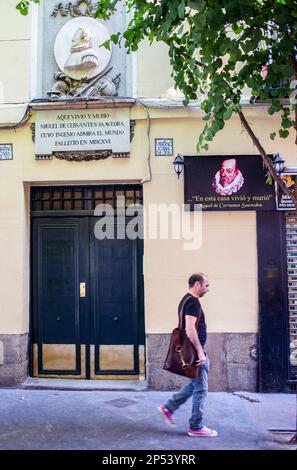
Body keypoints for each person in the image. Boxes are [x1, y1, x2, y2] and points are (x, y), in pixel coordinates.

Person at [158, 273, 217, 438]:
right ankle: (196, 426)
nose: (208, 289)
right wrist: (200, 352)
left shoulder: (186, 300)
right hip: (195, 352)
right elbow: (190, 329)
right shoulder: (192, 303)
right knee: (201, 389)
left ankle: (168, 408)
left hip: (193, 350)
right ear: (197, 285)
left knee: (194, 385)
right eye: (206, 285)